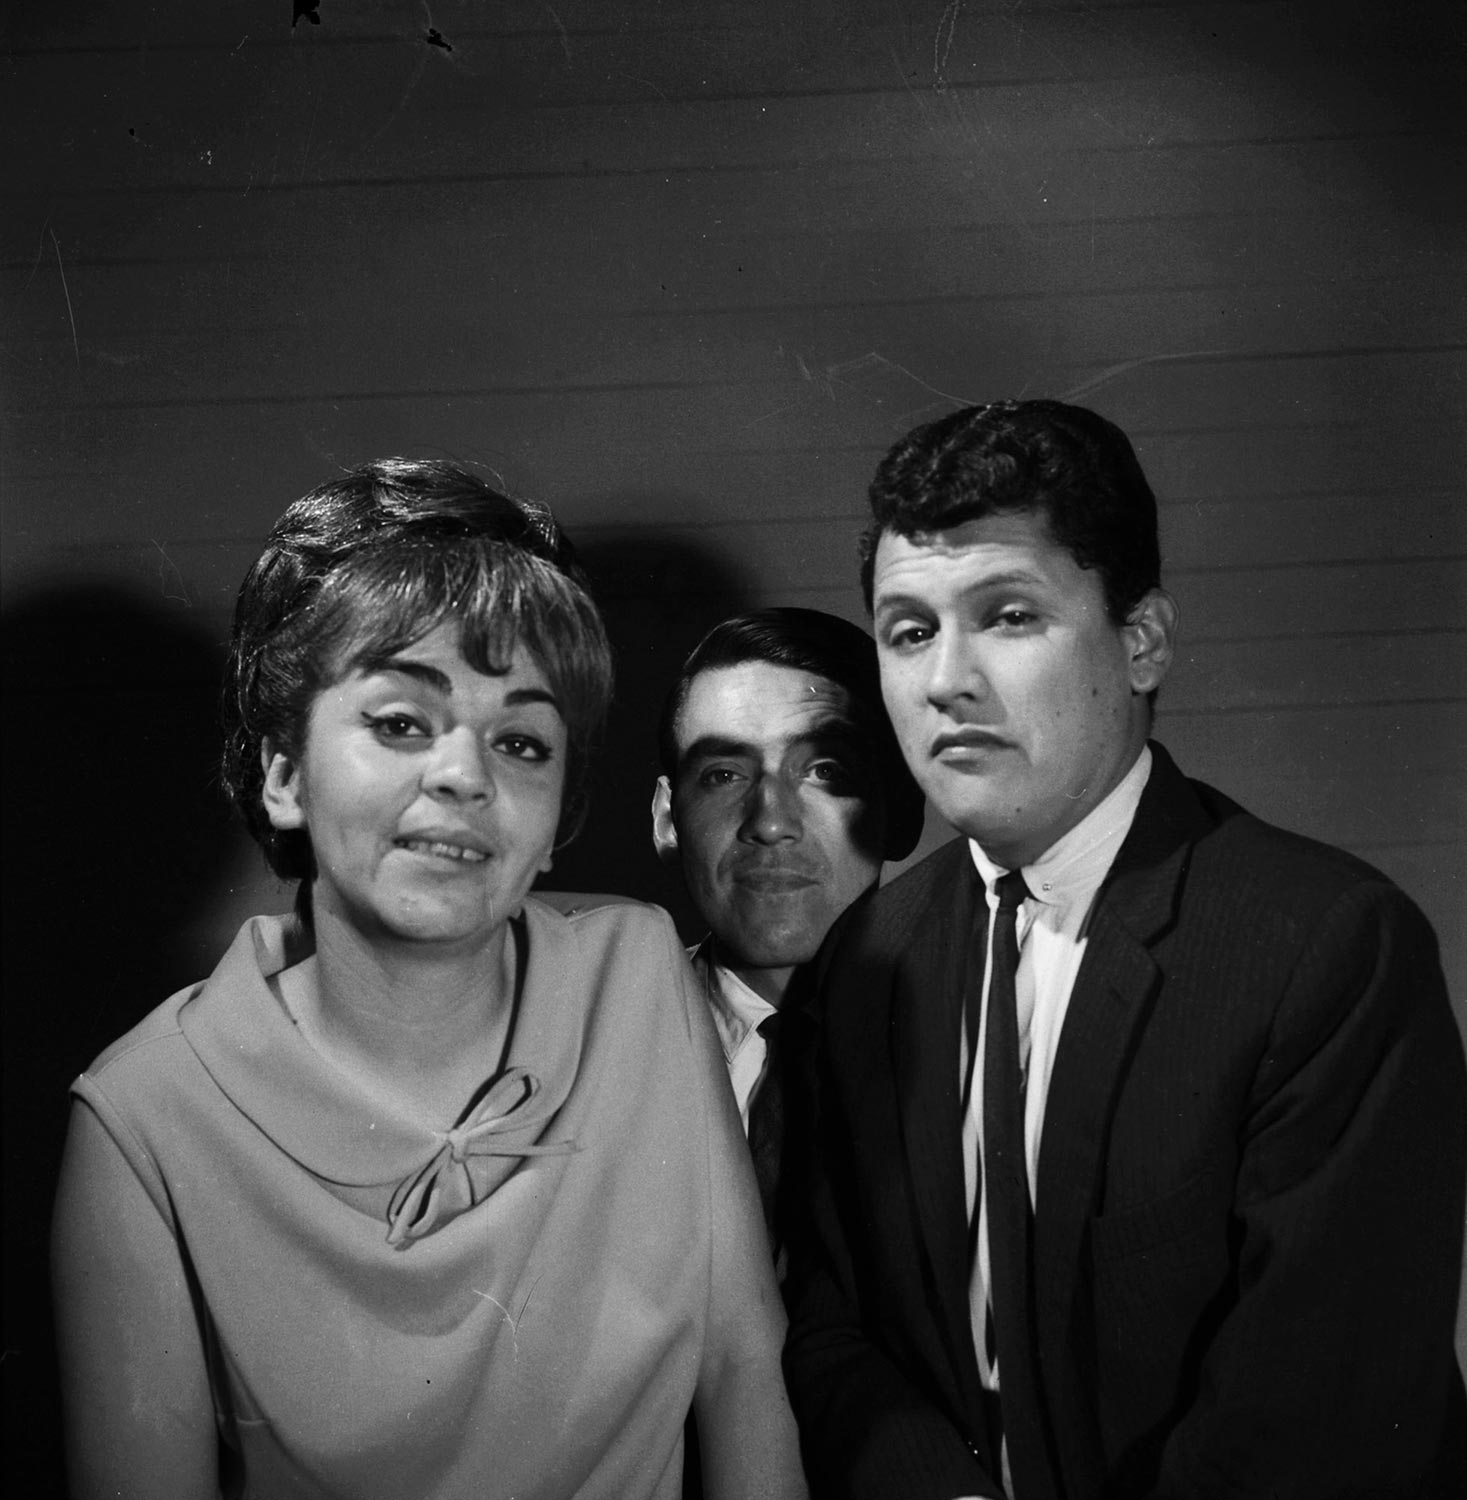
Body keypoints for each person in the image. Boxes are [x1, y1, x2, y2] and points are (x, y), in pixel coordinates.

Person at [51, 459, 807, 1500]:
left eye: (522, 741)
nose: (464, 776)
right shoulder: (141, 1116)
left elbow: (742, 1369)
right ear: (283, 774)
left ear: (560, 816)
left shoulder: (639, 975)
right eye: (400, 722)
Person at [781, 400, 1467, 1499]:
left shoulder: (1327, 947)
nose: (946, 678)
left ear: (1141, 643)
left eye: (1008, 615)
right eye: (908, 631)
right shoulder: (873, 954)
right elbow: (832, 1322)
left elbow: (1312, 1423)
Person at [650, 609, 924, 1246]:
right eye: (723, 775)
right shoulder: (589, 1044)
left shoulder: (989, 1037)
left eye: (825, 769)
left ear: (903, 809)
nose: (770, 822)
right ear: (667, 820)